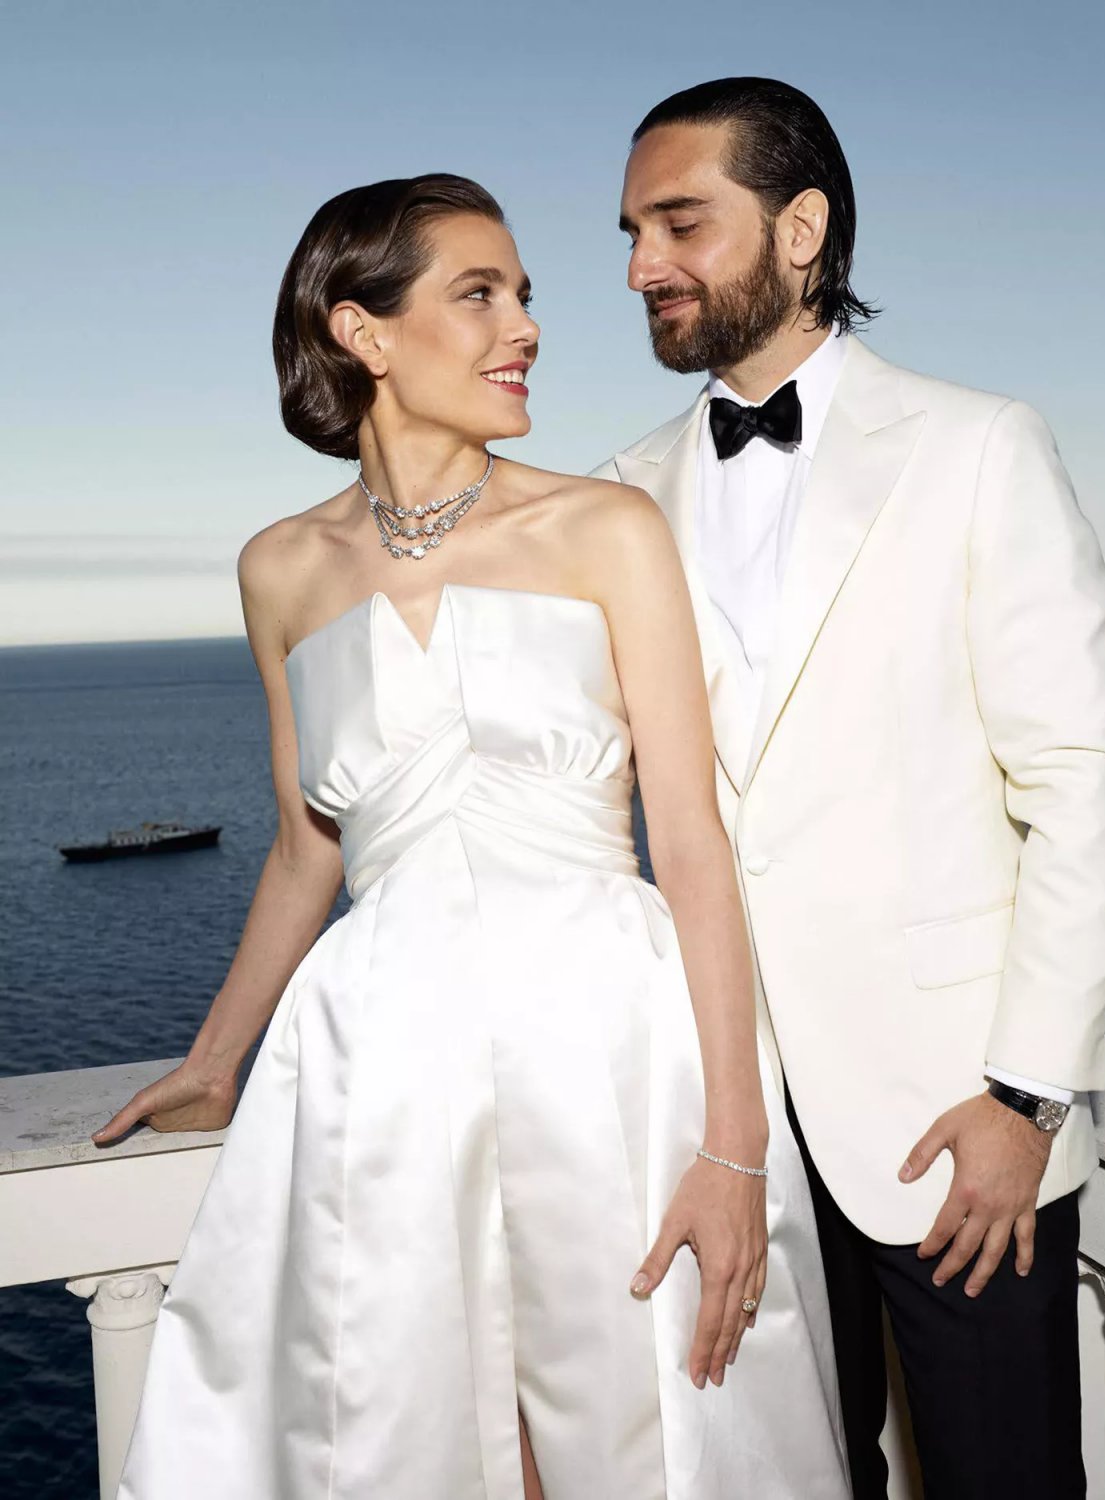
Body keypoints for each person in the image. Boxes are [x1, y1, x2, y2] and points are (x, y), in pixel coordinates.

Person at [94, 175, 850, 1499]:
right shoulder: (279, 570)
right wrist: (217, 1060)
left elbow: (690, 841)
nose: (527, 328)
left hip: (611, 1043)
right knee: (401, 1438)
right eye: (479, 294)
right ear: (363, 332)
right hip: (378, 1056)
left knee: (645, 1435)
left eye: (526, 296)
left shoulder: (606, 529)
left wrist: (734, 1147)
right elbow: (301, 848)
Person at [594, 78, 1105, 1500]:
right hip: (729, 1137)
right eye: (631, 233)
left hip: (953, 1129)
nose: (641, 266)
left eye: (678, 224)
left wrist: (1026, 1100)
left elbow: (1080, 787)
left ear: (802, 229)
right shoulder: (616, 496)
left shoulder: (978, 447)